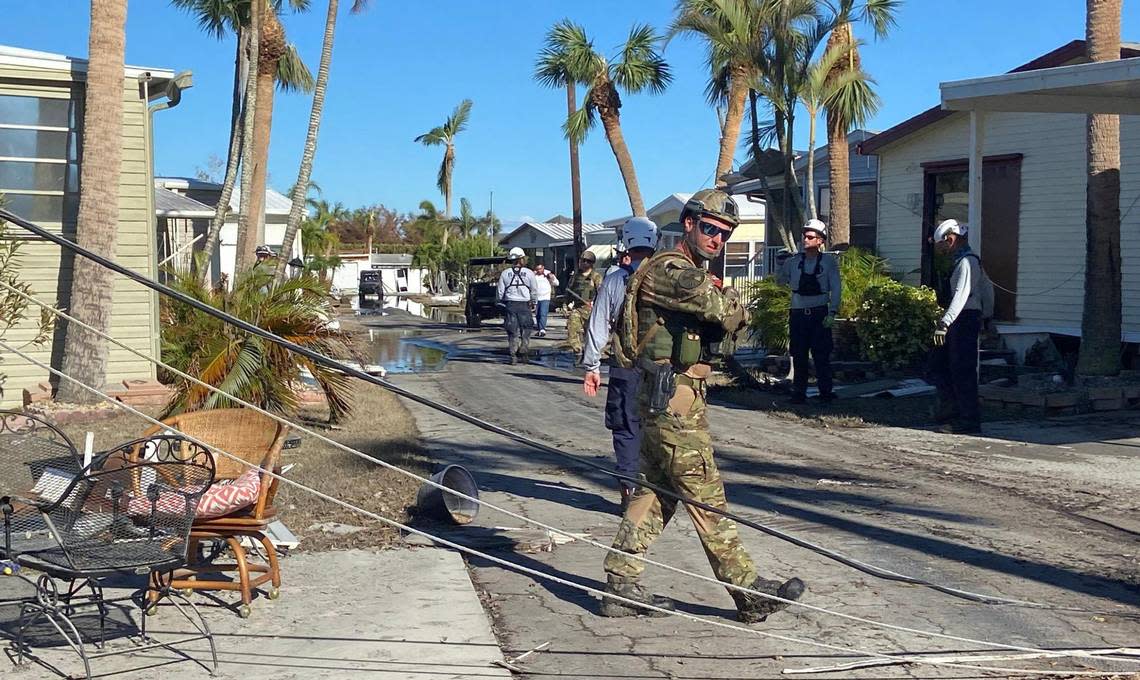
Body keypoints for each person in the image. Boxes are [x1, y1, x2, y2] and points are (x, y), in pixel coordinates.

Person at [601, 189, 805, 623]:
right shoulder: (672, 271)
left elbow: (728, 316)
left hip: (679, 396)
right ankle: (747, 590)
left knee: (656, 495)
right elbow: (722, 310)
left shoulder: (688, 270)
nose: (717, 240)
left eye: (725, 234)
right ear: (689, 224)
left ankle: (620, 583)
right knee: (705, 494)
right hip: (671, 399)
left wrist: (730, 306)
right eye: (710, 229)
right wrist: (730, 302)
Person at [582, 217, 659, 511]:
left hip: (625, 368)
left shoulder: (615, 279)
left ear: (626, 242)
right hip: (663, 372)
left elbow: (598, 326)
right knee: (657, 431)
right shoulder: (667, 277)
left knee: (626, 428)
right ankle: (654, 494)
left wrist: (591, 367)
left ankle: (630, 490)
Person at [777, 219, 841, 405]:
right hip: (798, 313)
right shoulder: (793, 261)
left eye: (810, 236)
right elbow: (780, 282)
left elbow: (836, 288)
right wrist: (780, 265)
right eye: (804, 236)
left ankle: (826, 392)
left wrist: (832, 312)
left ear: (820, 240)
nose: (805, 239)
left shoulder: (829, 262)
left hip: (820, 313)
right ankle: (799, 393)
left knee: (822, 354)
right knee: (799, 354)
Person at [928, 219, 983, 434]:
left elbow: (961, 295)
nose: (940, 250)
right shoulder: (963, 261)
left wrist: (945, 322)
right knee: (940, 364)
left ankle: (969, 420)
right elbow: (987, 291)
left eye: (941, 245)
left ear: (950, 240)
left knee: (963, 370)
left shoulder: (967, 263)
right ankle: (950, 409)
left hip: (964, 319)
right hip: (961, 318)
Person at [496, 247, 539, 365]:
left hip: (510, 304)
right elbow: (534, 290)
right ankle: (524, 350)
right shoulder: (529, 273)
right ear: (522, 258)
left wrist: (500, 301)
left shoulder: (505, 273)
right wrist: (534, 302)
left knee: (512, 331)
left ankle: (513, 355)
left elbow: (500, 291)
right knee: (526, 328)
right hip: (524, 305)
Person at [565, 250, 603, 359]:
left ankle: (590, 355)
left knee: (590, 335)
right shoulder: (576, 276)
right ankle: (578, 352)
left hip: (591, 310)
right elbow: (568, 291)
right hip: (577, 308)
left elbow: (602, 294)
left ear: (591, 263)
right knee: (572, 330)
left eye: (587, 261)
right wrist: (566, 304)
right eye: (582, 260)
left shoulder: (596, 277)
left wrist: (598, 306)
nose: (584, 263)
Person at [532, 263, 559, 338]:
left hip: (545, 296)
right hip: (537, 297)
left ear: (543, 268)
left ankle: (542, 329)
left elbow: (557, 283)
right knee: (537, 314)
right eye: (537, 269)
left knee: (543, 313)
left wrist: (552, 278)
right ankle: (539, 328)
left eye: (540, 269)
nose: (539, 271)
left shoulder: (548, 274)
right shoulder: (534, 275)